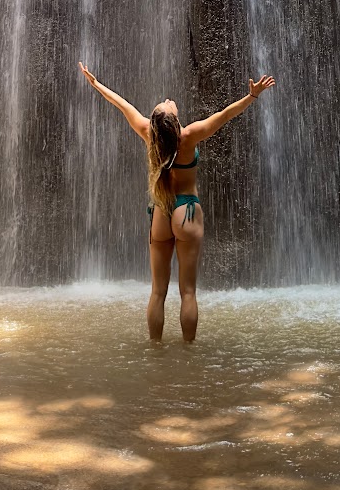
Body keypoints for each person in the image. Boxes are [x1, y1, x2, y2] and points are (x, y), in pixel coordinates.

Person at [78, 61, 276, 343]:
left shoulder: (149, 134)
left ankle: (156, 349)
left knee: (158, 291)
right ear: (171, 121)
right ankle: (188, 352)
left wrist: (96, 85)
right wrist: (252, 96)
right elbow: (224, 116)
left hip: (161, 210)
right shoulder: (189, 136)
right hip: (187, 211)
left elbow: (122, 105)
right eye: (167, 105)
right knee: (188, 292)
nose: (168, 101)